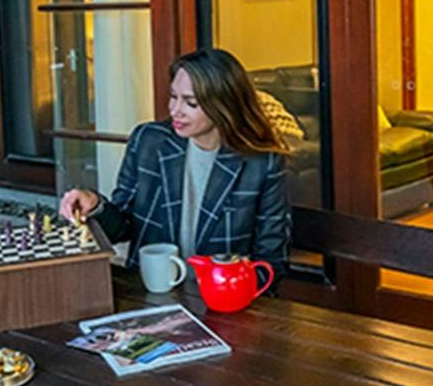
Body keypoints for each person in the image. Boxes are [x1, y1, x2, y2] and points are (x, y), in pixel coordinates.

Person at [59, 47, 291, 282]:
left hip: (223, 301)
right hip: (152, 292)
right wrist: (95, 204)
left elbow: (270, 259)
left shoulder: (261, 163)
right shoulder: (148, 141)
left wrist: (238, 298)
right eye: (173, 96)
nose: (174, 110)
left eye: (190, 102)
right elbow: (122, 229)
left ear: (223, 105)